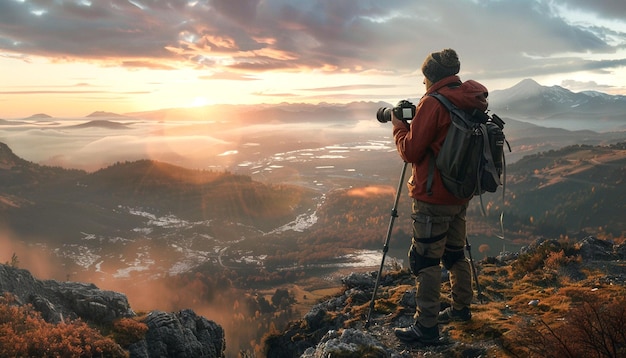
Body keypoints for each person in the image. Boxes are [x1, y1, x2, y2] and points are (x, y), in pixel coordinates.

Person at [391, 48, 487, 344]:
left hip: (433, 197)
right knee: (456, 253)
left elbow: (411, 151)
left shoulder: (433, 103)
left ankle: (427, 327)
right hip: (460, 193)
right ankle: (460, 309)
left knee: (426, 260)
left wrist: (399, 126)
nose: (423, 83)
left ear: (430, 75)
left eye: (424, 77)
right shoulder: (471, 98)